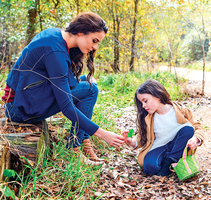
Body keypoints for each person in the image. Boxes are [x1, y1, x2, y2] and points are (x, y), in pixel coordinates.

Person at [2, 12, 125, 165]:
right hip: (19, 110)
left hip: (25, 98)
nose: (95, 47)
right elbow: (66, 107)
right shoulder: (55, 52)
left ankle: (83, 140)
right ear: (81, 32)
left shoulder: (54, 35)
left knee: (88, 83)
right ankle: (74, 148)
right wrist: (102, 133)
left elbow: (63, 81)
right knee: (91, 89)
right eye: (94, 40)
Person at [122, 79, 205, 176]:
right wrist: (130, 141)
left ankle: (167, 164)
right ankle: (170, 164)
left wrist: (195, 139)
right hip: (158, 147)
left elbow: (198, 127)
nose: (143, 106)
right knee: (150, 168)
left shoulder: (181, 110)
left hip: (178, 146)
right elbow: (142, 137)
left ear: (157, 94)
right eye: (141, 103)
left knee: (188, 129)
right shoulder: (147, 118)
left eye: (145, 101)